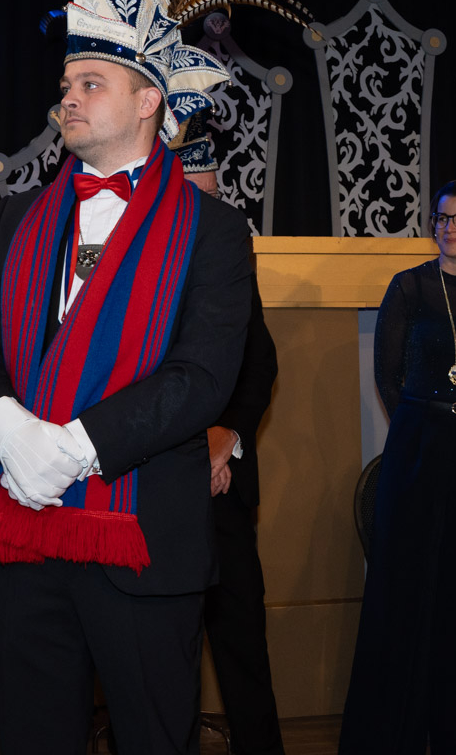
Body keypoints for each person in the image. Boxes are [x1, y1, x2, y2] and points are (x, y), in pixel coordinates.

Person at [0, 0, 249, 754]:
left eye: (89, 84)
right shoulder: (17, 215)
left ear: (148, 99)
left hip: (143, 539)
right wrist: (10, 431)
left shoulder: (214, 231)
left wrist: (75, 448)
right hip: (19, 528)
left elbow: (202, 376)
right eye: (64, 86)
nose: (67, 100)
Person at [340, 179, 456, 753]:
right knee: (406, 584)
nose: (450, 228)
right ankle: (394, 729)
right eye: (442, 218)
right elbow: (388, 376)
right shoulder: (409, 287)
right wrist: (424, 421)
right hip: (418, 446)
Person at [178, 117, 285, 755]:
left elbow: (258, 360)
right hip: (153, 485)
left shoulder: (230, 249)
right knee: (162, 654)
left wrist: (228, 435)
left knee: (242, 642)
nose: (213, 206)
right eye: (200, 193)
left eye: (216, 192)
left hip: (224, 491)